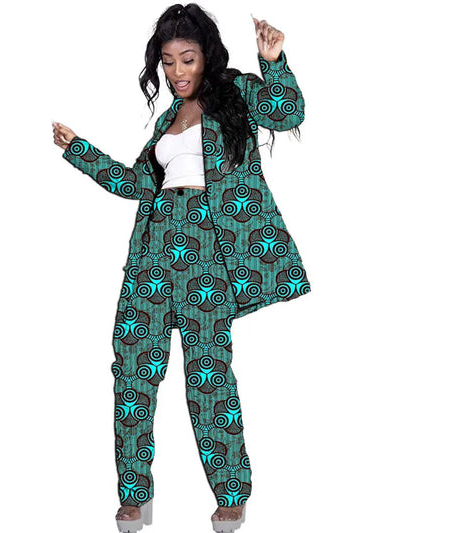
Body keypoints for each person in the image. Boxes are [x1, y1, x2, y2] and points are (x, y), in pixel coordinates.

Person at [52, 4, 310, 532]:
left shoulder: (236, 93)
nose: (176, 72)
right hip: (152, 250)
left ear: (206, 56)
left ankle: (231, 492)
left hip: (208, 250)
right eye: (167, 62)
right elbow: (135, 184)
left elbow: (288, 113)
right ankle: (134, 494)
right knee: (131, 371)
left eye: (187, 59)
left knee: (208, 375)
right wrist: (78, 149)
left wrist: (274, 61)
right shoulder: (166, 122)